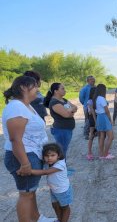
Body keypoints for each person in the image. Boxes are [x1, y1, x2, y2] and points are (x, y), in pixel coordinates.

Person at [3, 76, 56, 222]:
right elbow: (15, 139)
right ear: (23, 88)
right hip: (23, 157)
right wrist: (25, 163)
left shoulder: (25, 105)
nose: (37, 90)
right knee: (25, 194)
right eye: (35, 87)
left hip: (30, 154)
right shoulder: (16, 107)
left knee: (30, 191)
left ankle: (36, 218)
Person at [27, 143, 73, 222]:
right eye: (47, 156)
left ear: (58, 155)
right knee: (55, 205)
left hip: (63, 190)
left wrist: (29, 171)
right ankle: (59, 219)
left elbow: (46, 172)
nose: (49, 158)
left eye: (52, 155)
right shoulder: (48, 163)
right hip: (54, 189)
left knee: (65, 207)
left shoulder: (60, 164)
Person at [44, 83, 77, 159]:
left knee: (63, 150)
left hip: (67, 129)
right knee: (61, 151)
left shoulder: (63, 100)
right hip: (61, 130)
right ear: (56, 91)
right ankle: (61, 169)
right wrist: (70, 111)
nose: (65, 90)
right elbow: (66, 115)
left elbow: (75, 107)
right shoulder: (54, 102)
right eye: (62, 89)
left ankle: (63, 168)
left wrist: (70, 111)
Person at [93, 84, 114, 159]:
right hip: (104, 117)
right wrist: (110, 120)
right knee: (111, 136)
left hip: (99, 117)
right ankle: (105, 154)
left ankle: (101, 154)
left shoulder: (96, 98)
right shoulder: (101, 98)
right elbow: (107, 110)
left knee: (102, 136)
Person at [79, 75, 96, 140]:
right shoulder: (84, 89)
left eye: (94, 79)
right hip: (87, 107)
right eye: (92, 80)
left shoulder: (95, 87)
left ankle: (93, 132)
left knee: (94, 119)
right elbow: (81, 98)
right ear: (88, 81)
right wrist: (85, 104)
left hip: (95, 106)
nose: (93, 80)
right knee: (88, 120)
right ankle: (86, 133)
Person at [87, 87, 97, 160]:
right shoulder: (90, 101)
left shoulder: (96, 100)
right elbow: (91, 112)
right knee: (91, 135)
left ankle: (90, 152)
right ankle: (89, 152)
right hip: (93, 119)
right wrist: (96, 121)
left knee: (98, 135)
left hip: (94, 118)